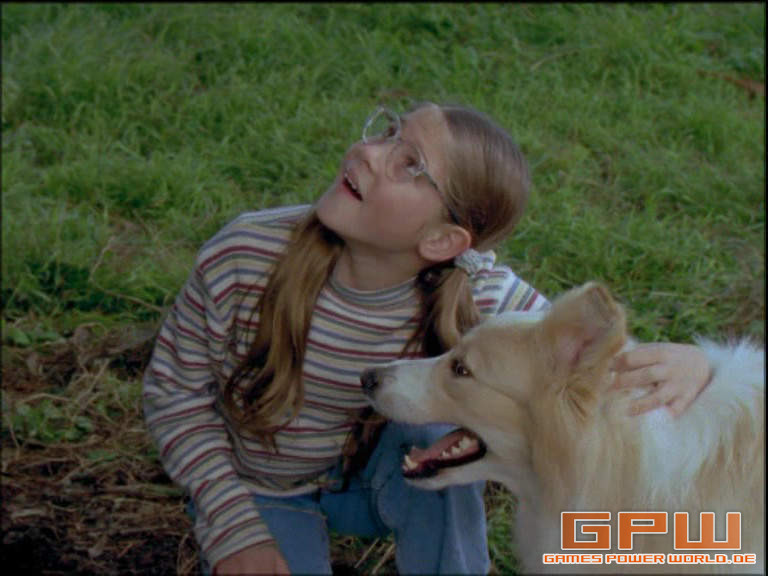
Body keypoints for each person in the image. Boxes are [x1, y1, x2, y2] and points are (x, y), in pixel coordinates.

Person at [142, 101, 713, 574]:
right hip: (263, 489)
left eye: (409, 163)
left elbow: (584, 365)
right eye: (388, 133)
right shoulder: (243, 256)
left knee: (441, 427)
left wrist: (700, 368)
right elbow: (176, 398)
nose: (369, 152)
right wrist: (233, 525)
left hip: (386, 477)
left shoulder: (478, 288)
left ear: (442, 241)